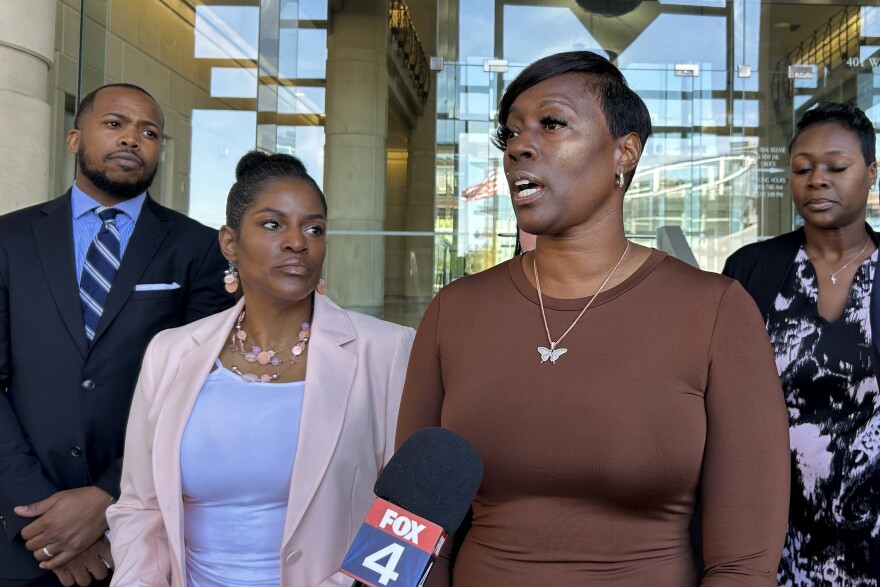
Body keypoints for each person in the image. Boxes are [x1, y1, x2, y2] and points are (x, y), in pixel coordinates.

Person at [396, 50, 791, 585]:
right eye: (509, 135)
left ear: (625, 153)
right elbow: (408, 535)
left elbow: (742, 565)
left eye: (552, 124)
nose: (519, 148)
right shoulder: (454, 312)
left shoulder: (716, 312)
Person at [105, 150, 415, 586]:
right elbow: (139, 507)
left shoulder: (385, 351)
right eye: (273, 224)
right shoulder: (171, 352)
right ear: (229, 242)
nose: (297, 241)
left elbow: (408, 516)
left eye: (314, 228)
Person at [0, 83, 232, 587]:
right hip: (20, 533)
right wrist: (39, 521)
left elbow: (199, 391)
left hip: (138, 529)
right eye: (115, 124)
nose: (132, 139)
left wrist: (107, 495)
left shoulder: (197, 249)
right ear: (74, 139)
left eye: (149, 132)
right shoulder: (8, 239)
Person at [723, 102, 880, 585]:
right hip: (771, 530)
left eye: (836, 166)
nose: (817, 180)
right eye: (802, 168)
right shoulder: (752, 270)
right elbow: (722, 394)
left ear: (871, 173)